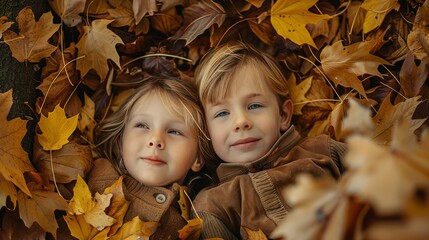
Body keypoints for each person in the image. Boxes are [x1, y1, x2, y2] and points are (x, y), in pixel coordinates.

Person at [192, 41, 346, 239]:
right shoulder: (212, 205)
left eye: (254, 106)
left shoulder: (322, 150)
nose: (241, 122)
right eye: (222, 113)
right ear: (206, 131)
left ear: (283, 115)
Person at [86, 76, 213, 239]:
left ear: (198, 158)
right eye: (142, 125)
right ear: (120, 142)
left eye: (174, 131)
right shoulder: (94, 173)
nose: (155, 140)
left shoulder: (194, 223)